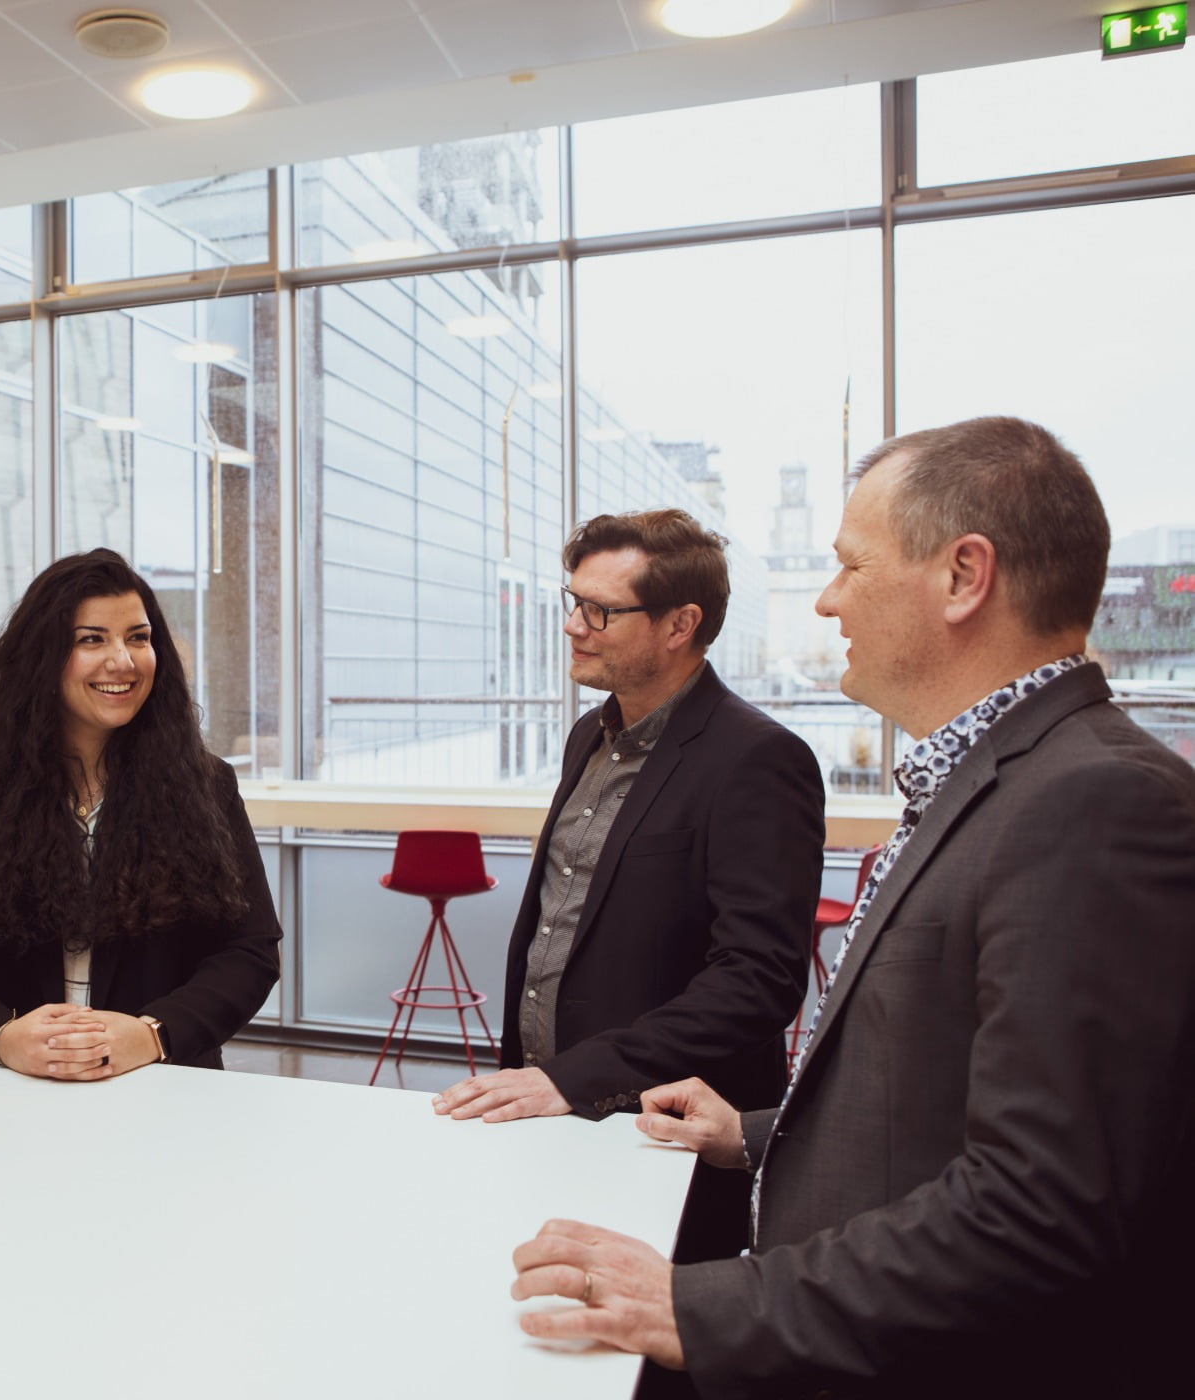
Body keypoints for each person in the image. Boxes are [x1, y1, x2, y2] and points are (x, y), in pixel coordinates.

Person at [509, 417, 1195, 1396]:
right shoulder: (1002, 785)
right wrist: (754, 1131)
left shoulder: (1094, 802)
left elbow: (1040, 1202)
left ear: (964, 576)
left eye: (851, 567)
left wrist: (697, 1303)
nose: (828, 600)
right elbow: (941, 1096)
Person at [432, 509, 823, 1261]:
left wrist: (575, 1078)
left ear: (681, 625)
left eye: (601, 610)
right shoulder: (591, 734)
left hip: (659, 1132)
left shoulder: (759, 760)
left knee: (648, 1364)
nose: (575, 625)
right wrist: (540, 1079)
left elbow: (759, 980)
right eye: (572, 601)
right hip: (553, 1108)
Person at [0, 548, 280, 1077]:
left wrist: (152, 1034)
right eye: (90, 639)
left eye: (138, 638)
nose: (122, 660)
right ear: (43, 656)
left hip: (165, 1081)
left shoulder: (207, 784)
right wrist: (1, 1037)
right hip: (16, 1085)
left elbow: (250, 950)